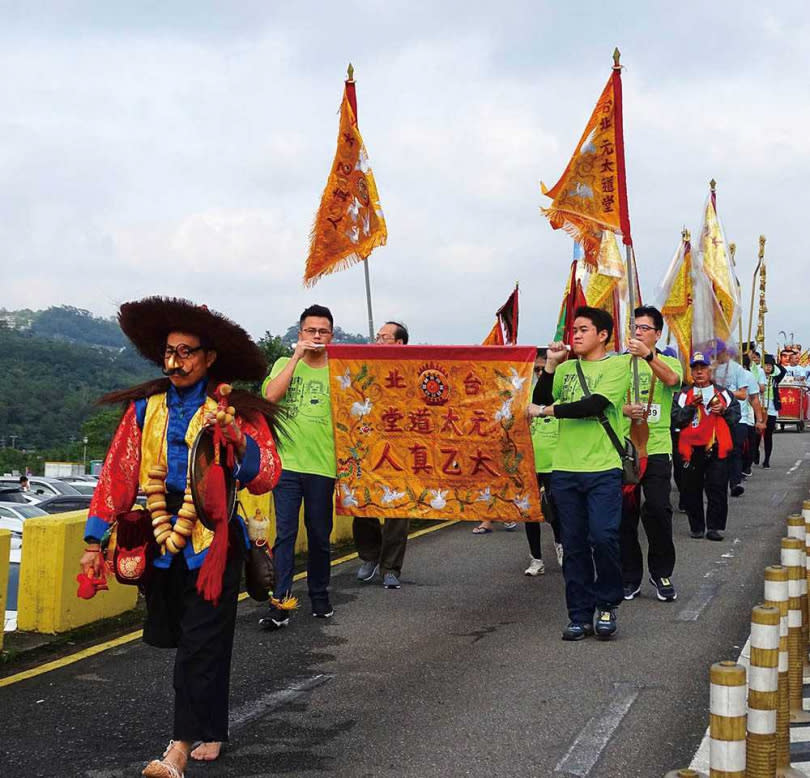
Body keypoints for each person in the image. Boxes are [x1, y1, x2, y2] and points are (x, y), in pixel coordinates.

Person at [78, 297, 281, 777]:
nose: (176, 361)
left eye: (187, 351)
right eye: (170, 351)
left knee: (199, 643)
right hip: (159, 537)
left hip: (214, 541)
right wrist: (93, 541)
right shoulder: (144, 411)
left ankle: (178, 748)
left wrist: (237, 442)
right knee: (182, 636)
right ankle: (211, 727)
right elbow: (118, 474)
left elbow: (265, 475)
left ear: (209, 358)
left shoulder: (234, 410)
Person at [529, 306, 630, 641]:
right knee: (572, 545)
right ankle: (579, 614)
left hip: (603, 469)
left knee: (603, 537)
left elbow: (594, 405)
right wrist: (552, 364)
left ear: (602, 335)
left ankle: (607, 604)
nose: (576, 334)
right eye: (574, 329)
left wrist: (545, 411)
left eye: (583, 329)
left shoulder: (617, 365)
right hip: (565, 470)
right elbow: (540, 395)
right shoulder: (567, 367)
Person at [260, 304, 337, 628]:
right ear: (300, 333)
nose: (316, 336)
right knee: (285, 535)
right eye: (311, 331)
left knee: (319, 535)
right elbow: (270, 398)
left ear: (332, 336)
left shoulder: (339, 369)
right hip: (287, 464)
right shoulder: (282, 363)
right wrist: (295, 358)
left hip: (323, 465)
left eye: (323, 331)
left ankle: (319, 595)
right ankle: (281, 603)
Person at [620, 306, 682, 602]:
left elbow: (672, 380)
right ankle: (629, 576)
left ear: (658, 333)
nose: (638, 332)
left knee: (658, 509)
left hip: (656, 449)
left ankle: (661, 573)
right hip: (625, 451)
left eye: (645, 328)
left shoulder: (668, 361)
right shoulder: (618, 364)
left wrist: (647, 355)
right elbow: (606, 402)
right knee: (624, 515)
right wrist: (624, 410)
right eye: (635, 327)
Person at [354, 321, 412, 589]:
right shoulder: (366, 367)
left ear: (399, 343)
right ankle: (370, 555)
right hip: (369, 446)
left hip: (402, 449)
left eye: (384, 337)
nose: (378, 341)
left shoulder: (411, 370)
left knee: (398, 512)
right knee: (362, 503)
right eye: (377, 336)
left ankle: (391, 568)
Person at [672, 352, 740, 541]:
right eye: (695, 368)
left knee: (717, 488)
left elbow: (736, 417)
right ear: (691, 372)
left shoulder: (724, 393)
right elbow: (676, 420)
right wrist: (691, 407)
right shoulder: (684, 394)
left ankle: (714, 527)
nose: (699, 372)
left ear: (710, 371)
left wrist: (724, 410)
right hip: (692, 449)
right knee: (692, 489)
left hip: (716, 446)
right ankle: (697, 527)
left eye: (703, 368)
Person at [525, 348, 562, 575]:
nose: (540, 373)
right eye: (536, 369)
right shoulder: (526, 395)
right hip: (530, 463)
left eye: (543, 368)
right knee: (530, 513)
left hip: (556, 463)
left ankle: (561, 545)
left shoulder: (560, 393)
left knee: (555, 510)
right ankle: (536, 559)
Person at [714, 341, 749, 497]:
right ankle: (717, 482)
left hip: (735, 417)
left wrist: (724, 392)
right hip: (715, 417)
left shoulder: (737, 369)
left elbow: (743, 394)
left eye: (718, 351)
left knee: (734, 451)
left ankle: (735, 483)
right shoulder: (710, 368)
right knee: (717, 451)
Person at [760, 354, 786, 468]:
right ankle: (755, 453)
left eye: (770, 365)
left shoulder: (775, 378)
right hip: (759, 405)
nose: (768, 367)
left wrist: (775, 362)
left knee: (768, 433)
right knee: (757, 433)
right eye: (766, 365)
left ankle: (767, 459)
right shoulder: (757, 376)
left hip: (772, 406)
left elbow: (783, 371)